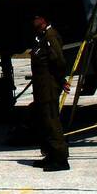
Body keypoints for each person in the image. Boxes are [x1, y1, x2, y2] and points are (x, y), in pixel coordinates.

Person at [30, 15, 71, 171]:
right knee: (44, 122)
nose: (32, 21)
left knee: (52, 122)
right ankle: (50, 155)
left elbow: (58, 61)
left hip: (49, 87)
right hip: (42, 88)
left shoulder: (50, 36)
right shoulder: (40, 37)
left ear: (43, 20)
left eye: (36, 18)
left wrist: (61, 80)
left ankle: (61, 159)